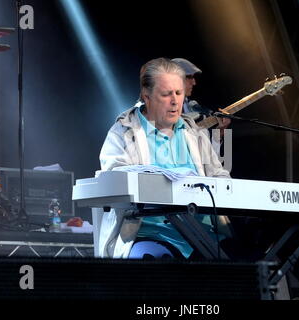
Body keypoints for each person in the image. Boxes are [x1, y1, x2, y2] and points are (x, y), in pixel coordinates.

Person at [98, 57, 233, 259]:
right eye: (166, 94)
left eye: (178, 93)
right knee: (152, 265)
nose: (175, 101)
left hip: (204, 236)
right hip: (150, 235)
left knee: (255, 267)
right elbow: (113, 178)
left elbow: (220, 175)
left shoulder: (194, 132)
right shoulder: (124, 131)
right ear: (147, 96)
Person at [171, 58, 231, 160]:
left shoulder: (197, 111)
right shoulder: (156, 114)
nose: (194, 82)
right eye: (189, 77)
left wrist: (219, 134)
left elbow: (208, 161)